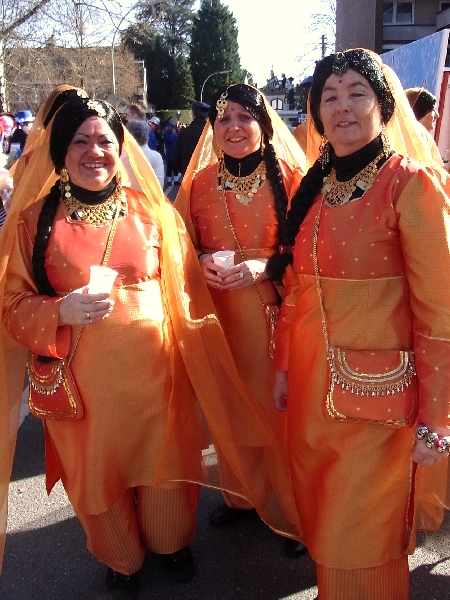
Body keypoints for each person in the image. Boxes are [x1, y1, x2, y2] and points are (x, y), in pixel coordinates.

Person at [0, 93, 305, 596]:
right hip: (83, 391)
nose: (94, 151)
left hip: (158, 378)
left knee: (165, 473)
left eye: (105, 140)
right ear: (60, 151)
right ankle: (120, 559)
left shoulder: (152, 212)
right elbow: (11, 306)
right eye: (80, 141)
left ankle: (172, 544)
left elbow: (187, 285)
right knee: (96, 476)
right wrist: (59, 311)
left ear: (121, 148)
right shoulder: (32, 223)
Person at [267, 48, 450, 600]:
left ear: (383, 106)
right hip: (312, 394)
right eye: (330, 96)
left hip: (379, 402)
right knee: (327, 523)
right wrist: (284, 365)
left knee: (363, 534)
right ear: (317, 114)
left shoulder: (410, 185)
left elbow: (441, 311)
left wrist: (438, 417)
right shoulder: (317, 188)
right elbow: (297, 288)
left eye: (356, 93)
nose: (342, 106)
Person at [174, 83, 307, 555]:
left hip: (274, 320)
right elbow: (177, 246)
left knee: (279, 415)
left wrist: (266, 266)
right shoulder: (199, 184)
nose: (233, 126)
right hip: (219, 318)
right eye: (224, 118)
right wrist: (200, 260)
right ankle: (242, 495)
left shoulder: (291, 176)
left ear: (264, 125)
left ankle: (292, 513)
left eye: (244, 117)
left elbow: (314, 249)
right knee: (229, 409)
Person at [172, 100, 209, 180]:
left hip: (188, 176)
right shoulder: (210, 132)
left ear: (193, 114)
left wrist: (183, 170)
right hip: (207, 176)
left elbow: (176, 157)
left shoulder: (184, 132)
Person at [124, 119, 165, 189]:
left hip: (128, 194)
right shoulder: (156, 156)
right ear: (146, 136)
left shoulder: (123, 156)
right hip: (150, 194)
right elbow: (159, 183)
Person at [163, 120, 178, 185]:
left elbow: (177, 141)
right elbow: (169, 140)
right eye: (171, 127)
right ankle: (169, 181)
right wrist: (173, 134)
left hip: (175, 153)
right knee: (169, 167)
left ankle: (176, 180)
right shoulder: (166, 134)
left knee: (175, 167)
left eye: (173, 127)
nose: (172, 128)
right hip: (169, 153)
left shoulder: (176, 133)